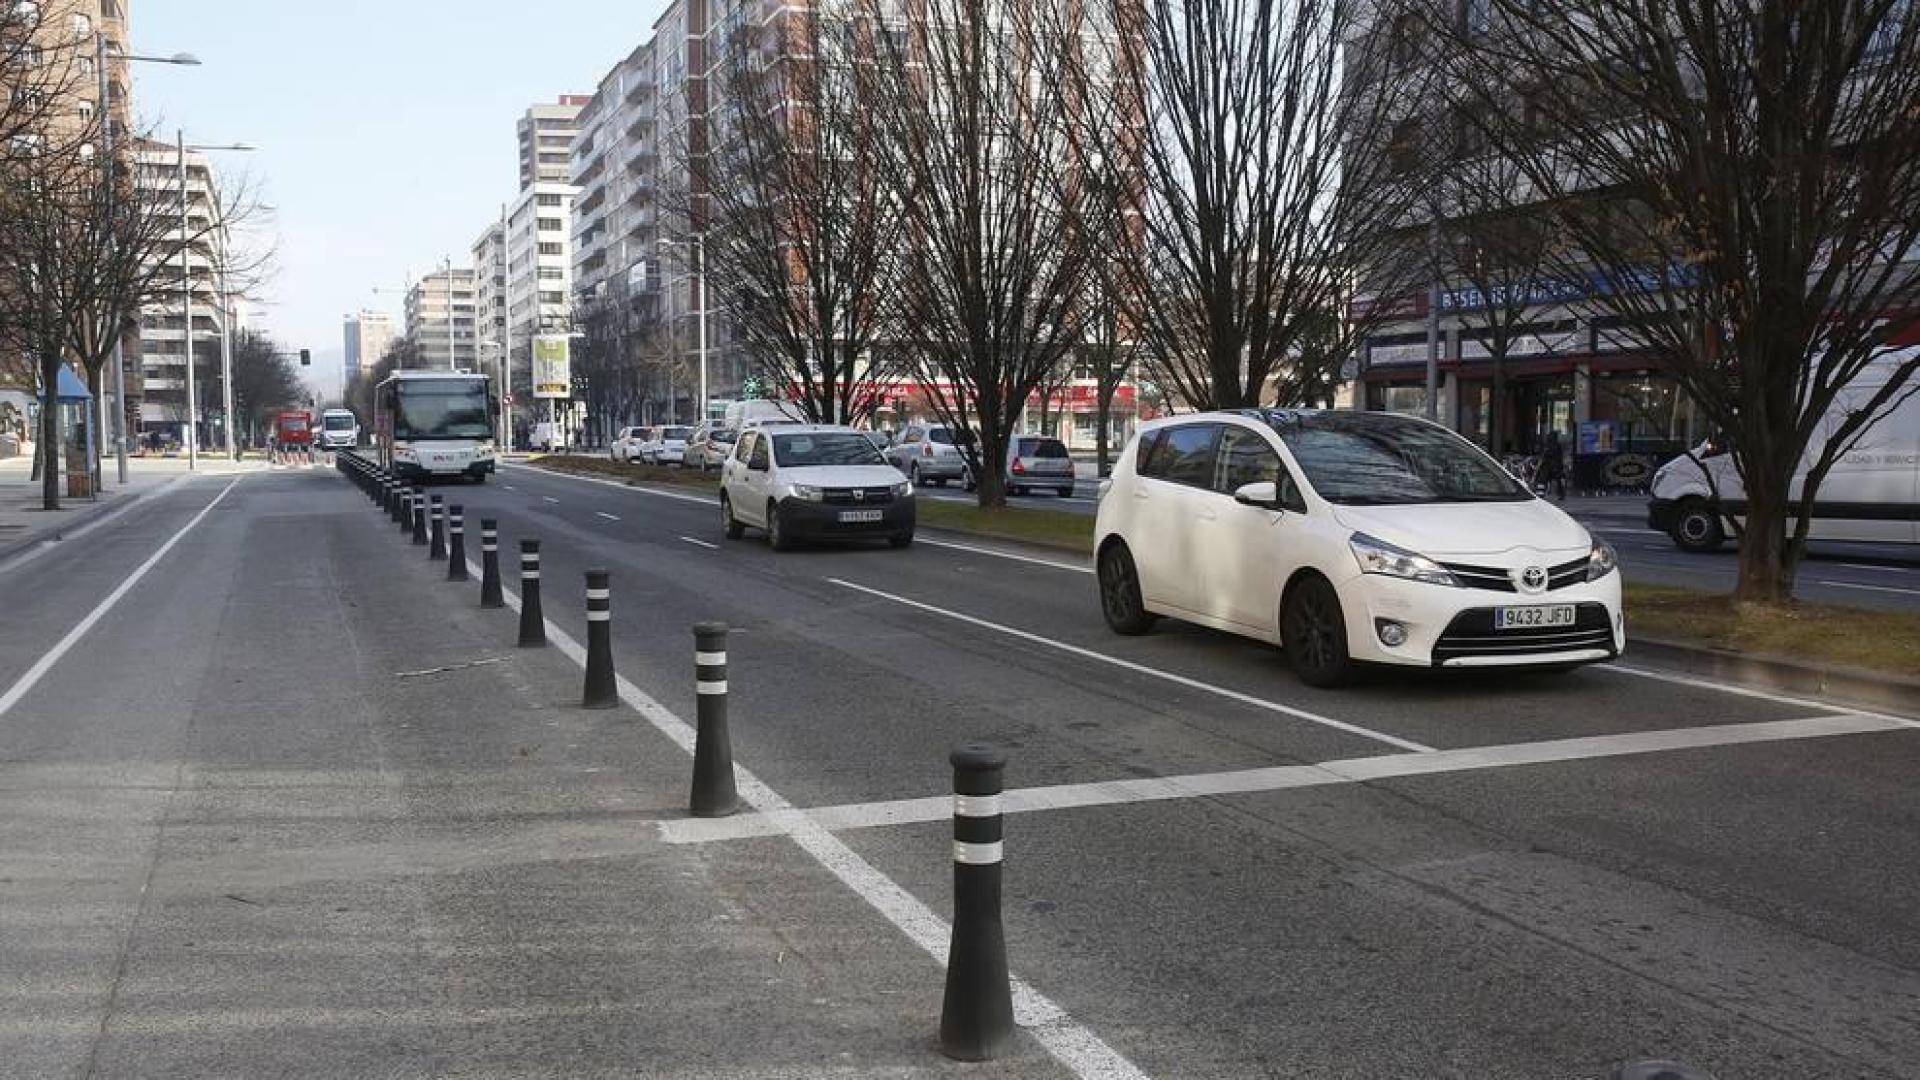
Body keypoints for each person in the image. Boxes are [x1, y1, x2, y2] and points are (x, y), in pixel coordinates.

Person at [1534, 429, 1567, 500]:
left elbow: (1544, 456)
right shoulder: (1557, 445)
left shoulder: (1548, 445)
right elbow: (1559, 457)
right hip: (1555, 467)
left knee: (1542, 480)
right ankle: (1561, 494)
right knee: (1558, 481)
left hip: (1547, 467)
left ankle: (1540, 494)